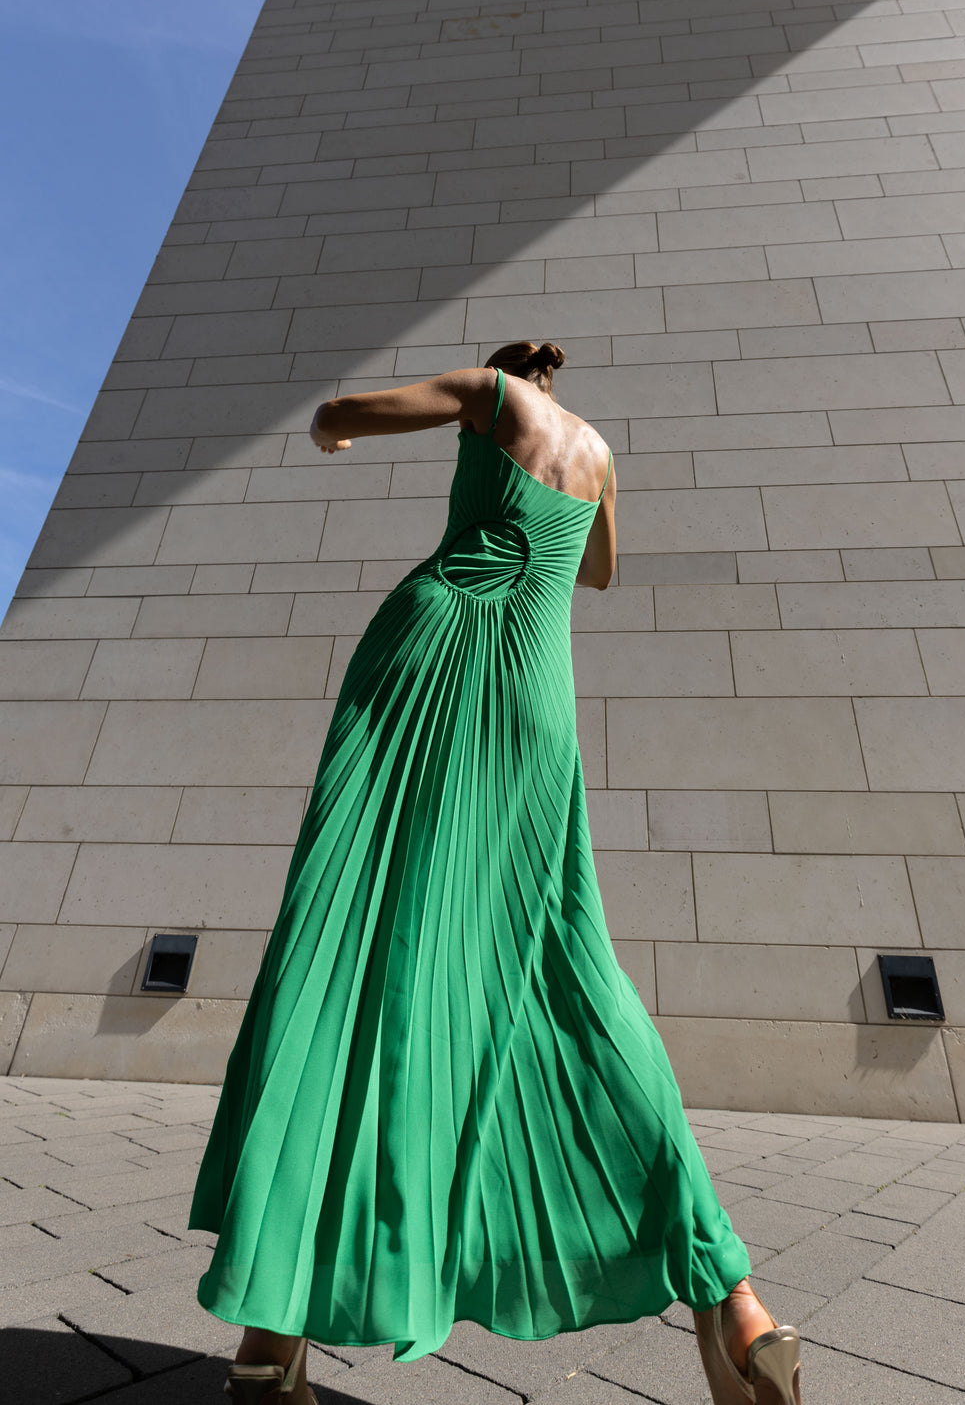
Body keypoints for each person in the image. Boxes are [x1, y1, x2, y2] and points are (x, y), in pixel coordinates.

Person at [188, 341, 803, 1405]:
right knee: (568, 967)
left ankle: (271, 1329)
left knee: (349, 944)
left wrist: (337, 425)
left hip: (431, 663)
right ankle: (738, 1305)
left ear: (510, 377)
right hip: (535, 701)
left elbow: (341, 408)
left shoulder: (487, 397)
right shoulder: (599, 452)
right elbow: (601, 570)